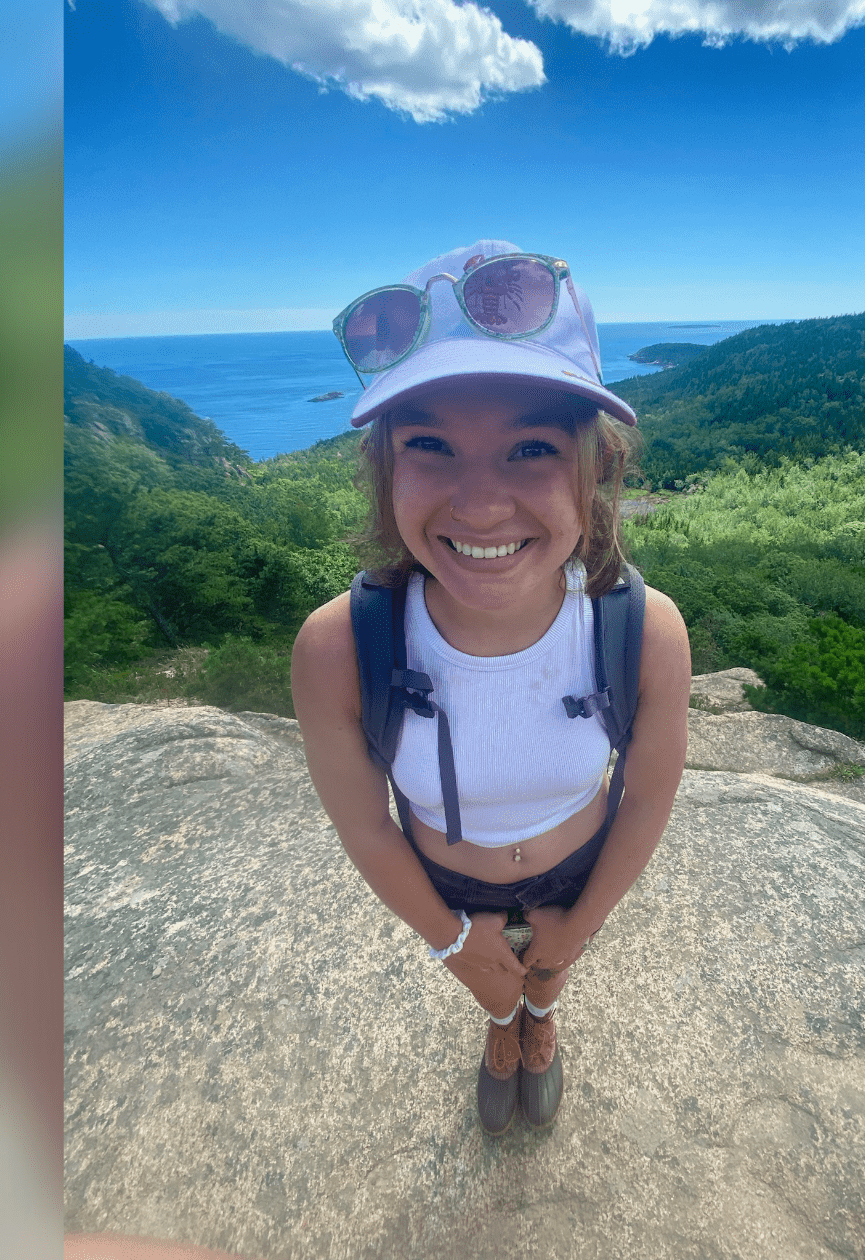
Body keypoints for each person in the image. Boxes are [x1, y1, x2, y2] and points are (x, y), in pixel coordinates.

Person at [290, 241, 689, 1136]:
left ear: (595, 473)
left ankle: (539, 1019)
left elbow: (650, 795)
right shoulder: (338, 648)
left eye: (530, 449)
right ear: (387, 470)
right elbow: (364, 825)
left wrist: (577, 927)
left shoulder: (643, 629)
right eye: (429, 444)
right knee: (491, 981)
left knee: (546, 970)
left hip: (579, 865)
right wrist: (450, 941)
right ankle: (503, 1028)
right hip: (444, 873)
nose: (477, 503)